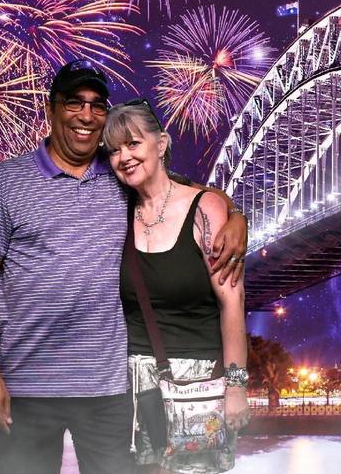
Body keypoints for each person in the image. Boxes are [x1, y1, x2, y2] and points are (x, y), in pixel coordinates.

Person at [0, 60, 248, 474]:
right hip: (25, 386)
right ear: (51, 109)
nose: (86, 115)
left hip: (109, 391)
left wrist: (236, 214)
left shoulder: (117, 173)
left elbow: (184, 192)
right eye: (74, 102)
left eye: (97, 105)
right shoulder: (5, 182)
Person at [102, 100, 250, 473]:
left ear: (162, 143)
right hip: (134, 385)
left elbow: (233, 304)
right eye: (114, 150)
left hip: (199, 384)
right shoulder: (118, 210)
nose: (124, 157)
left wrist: (236, 387)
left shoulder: (205, 210)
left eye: (133, 144)